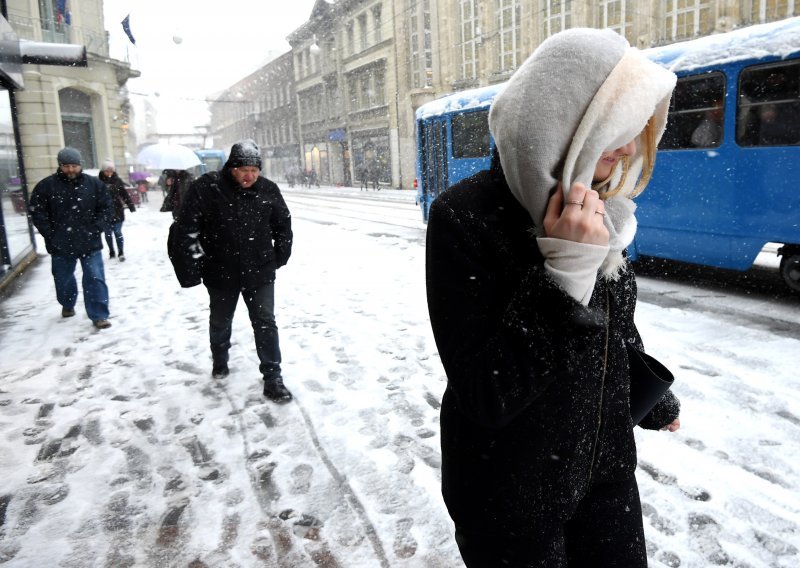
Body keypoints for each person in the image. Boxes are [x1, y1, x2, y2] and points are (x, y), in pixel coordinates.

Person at [425, 29, 681, 567]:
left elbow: (615, 329)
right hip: (509, 493)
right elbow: (485, 394)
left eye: (636, 131)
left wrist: (651, 399)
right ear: (565, 117)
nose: (631, 148)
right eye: (620, 128)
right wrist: (565, 276)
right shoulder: (464, 216)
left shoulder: (600, 206)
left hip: (604, 476)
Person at [168, 140, 294, 403]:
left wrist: (279, 257)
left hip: (259, 271)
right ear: (231, 167)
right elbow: (187, 229)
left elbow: (283, 224)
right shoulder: (207, 188)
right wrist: (197, 264)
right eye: (243, 169)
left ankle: (273, 377)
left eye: (254, 170)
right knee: (221, 320)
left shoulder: (268, 190)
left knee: (265, 322)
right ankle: (220, 358)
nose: (250, 176)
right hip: (220, 271)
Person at [29, 147, 114, 329]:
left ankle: (99, 315)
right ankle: (67, 303)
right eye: (66, 166)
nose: (70, 170)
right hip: (60, 244)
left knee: (95, 278)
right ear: (60, 166)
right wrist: (51, 234)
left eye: (74, 165)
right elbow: (38, 212)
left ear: (80, 165)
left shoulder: (94, 185)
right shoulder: (46, 186)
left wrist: (96, 228)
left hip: (89, 241)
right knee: (63, 279)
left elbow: (106, 208)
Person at [99, 160, 136, 261]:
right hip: (104, 212)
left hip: (117, 210)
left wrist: (130, 205)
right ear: (103, 171)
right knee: (107, 234)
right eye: (107, 171)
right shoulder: (98, 182)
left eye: (111, 170)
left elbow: (124, 193)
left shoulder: (117, 180)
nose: (109, 173)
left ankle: (121, 252)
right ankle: (111, 250)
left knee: (117, 232)